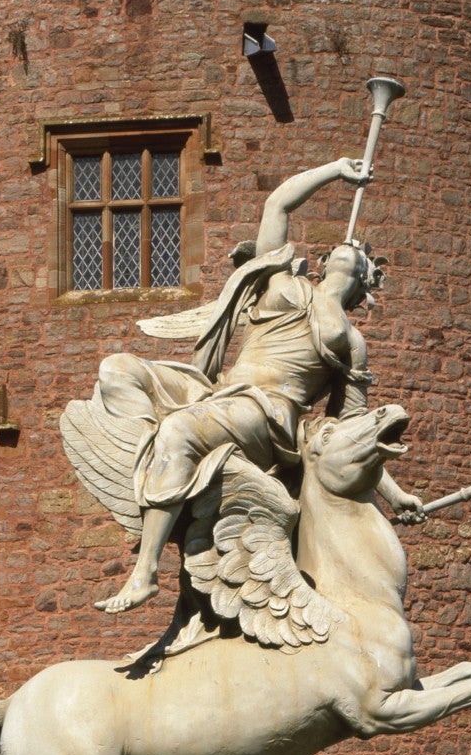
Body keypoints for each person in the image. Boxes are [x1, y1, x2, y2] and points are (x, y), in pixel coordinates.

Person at [72, 156, 387, 615]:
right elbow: (277, 204)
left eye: (358, 256)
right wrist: (337, 170)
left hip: (266, 415)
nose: (350, 247)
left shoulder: (351, 343)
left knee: (179, 431)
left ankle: (144, 572)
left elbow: (354, 430)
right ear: (321, 262)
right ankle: (155, 468)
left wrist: (394, 495)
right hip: (216, 392)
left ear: (362, 283)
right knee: (117, 369)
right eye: (342, 248)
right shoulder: (282, 285)